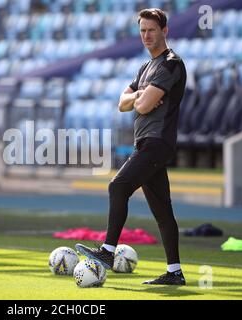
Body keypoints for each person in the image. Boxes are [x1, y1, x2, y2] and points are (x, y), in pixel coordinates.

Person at [76, 8, 187, 285]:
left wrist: (138, 98)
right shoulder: (145, 68)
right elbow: (123, 103)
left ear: (165, 31)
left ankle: (108, 252)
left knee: (118, 186)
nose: (146, 35)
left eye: (151, 29)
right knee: (163, 212)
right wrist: (140, 94)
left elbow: (142, 106)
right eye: (142, 30)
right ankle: (175, 272)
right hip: (148, 142)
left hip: (156, 142)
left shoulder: (171, 63)